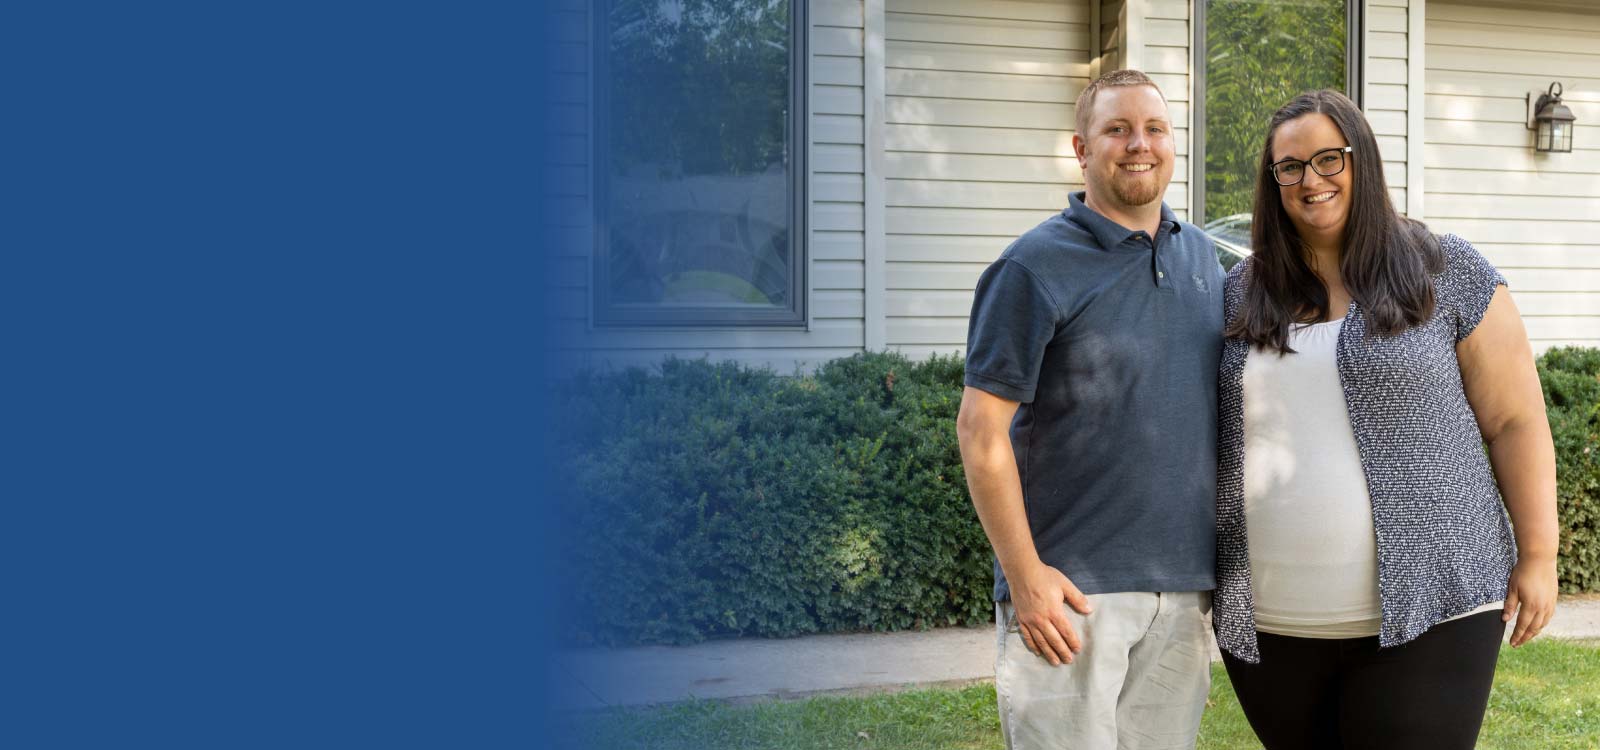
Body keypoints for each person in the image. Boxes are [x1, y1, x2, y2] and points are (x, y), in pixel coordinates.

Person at [1212, 89, 1560, 750]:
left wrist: (1539, 552)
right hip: (1272, 625)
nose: (1309, 180)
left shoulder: (1445, 269)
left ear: (1361, 160)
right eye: (1290, 167)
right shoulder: (1241, 288)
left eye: (1327, 159)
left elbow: (1515, 420)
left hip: (1436, 609)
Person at [957, 69, 1224, 750]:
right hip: (1070, 596)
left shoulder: (1203, 261)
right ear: (1082, 149)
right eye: (1117, 129)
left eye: (1154, 128)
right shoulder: (1033, 266)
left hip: (1183, 591)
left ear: (1173, 143)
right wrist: (1025, 577)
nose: (1139, 144)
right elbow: (980, 430)